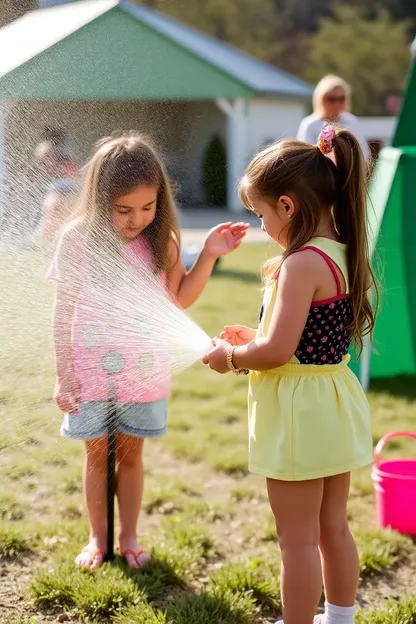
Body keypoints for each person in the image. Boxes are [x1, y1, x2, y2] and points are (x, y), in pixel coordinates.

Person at [47, 133, 249, 570]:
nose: (137, 219)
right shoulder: (77, 240)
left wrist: (209, 256)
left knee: (132, 457)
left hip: (144, 373)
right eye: (124, 211)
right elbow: (62, 312)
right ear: (101, 201)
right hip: (89, 372)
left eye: (147, 207)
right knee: (97, 457)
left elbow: (178, 301)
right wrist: (64, 374)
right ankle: (97, 539)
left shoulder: (163, 241)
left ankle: (130, 536)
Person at [203, 126, 376, 624]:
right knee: (332, 527)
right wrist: (251, 334)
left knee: (295, 539)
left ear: (287, 205)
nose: (261, 227)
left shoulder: (300, 263)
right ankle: (339, 619)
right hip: (332, 401)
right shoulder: (341, 248)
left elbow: (278, 352)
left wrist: (231, 359)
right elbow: (299, 335)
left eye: (260, 215)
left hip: (299, 413)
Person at [297, 75, 370, 162]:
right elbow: (304, 157)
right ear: (321, 99)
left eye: (341, 99)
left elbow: (363, 154)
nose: (337, 103)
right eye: (332, 99)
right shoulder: (310, 124)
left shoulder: (352, 121)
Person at [33, 138, 79, 245]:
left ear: (52, 155)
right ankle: (46, 242)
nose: (44, 161)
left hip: (66, 194)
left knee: (54, 213)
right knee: (49, 216)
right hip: (58, 194)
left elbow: (75, 179)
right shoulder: (46, 168)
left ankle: (48, 241)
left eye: (46, 156)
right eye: (43, 158)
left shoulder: (66, 164)